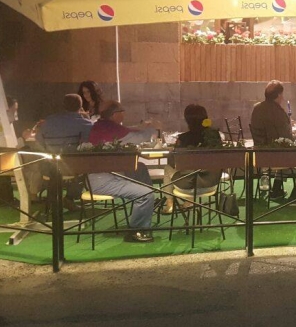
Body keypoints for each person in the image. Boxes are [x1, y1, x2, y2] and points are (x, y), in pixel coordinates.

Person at [88, 100, 160, 243]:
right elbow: (138, 137)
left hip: (102, 175)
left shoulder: (102, 126)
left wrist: (142, 127)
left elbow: (128, 131)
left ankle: (145, 208)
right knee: (146, 194)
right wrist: (155, 129)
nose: (124, 114)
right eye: (122, 111)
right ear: (114, 114)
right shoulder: (113, 130)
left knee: (140, 167)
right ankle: (136, 231)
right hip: (105, 180)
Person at [161, 104, 223, 214]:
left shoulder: (183, 138)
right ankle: (188, 202)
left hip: (187, 187)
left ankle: (169, 203)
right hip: (211, 184)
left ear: (187, 120)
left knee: (168, 168)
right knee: (194, 171)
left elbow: (174, 161)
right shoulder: (215, 136)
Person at [250, 80, 293, 200]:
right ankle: (279, 187)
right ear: (279, 95)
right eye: (282, 94)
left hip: (259, 151)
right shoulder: (277, 111)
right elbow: (286, 137)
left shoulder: (257, 108)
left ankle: (277, 188)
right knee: (292, 152)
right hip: (273, 154)